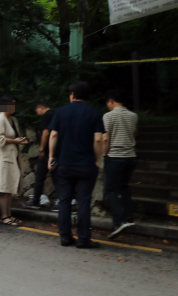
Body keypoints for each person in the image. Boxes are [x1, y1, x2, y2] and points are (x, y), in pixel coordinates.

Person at [48, 81, 104, 248]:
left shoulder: (61, 112)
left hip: (64, 164)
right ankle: (83, 239)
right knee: (84, 202)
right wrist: (97, 160)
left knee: (64, 201)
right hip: (86, 165)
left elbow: (53, 135)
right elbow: (98, 139)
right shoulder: (94, 114)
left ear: (72, 95)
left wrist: (52, 156)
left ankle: (65, 237)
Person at [103, 89, 138, 239]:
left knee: (110, 189)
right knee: (125, 186)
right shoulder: (133, 116)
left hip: (115, 156)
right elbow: (134, 132)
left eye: (108, 103)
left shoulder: (108, 116)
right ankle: (129, 218)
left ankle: (119, 221)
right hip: (131, 157)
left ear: (111, 101)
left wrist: (105, 154)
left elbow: (105, 138)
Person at [0, 94, 28, 226]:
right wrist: (15, 141)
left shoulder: (14, 120)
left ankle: (9, 214)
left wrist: (20, 140)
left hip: (12, 157)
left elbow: (15, 136)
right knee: (4, 188)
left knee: (9, 188)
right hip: (2, 159)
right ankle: (4, 216)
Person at [23, 99, 58, 210]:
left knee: (39, 177)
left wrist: (42, 149)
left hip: (47, 152)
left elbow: (45, 133)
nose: (36, 112)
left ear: (40, 108)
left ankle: (36, 201)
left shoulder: (46, 116)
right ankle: (62, 201)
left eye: (36, 109)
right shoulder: (56, 114)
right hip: (56, 151)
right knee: (56, 177)